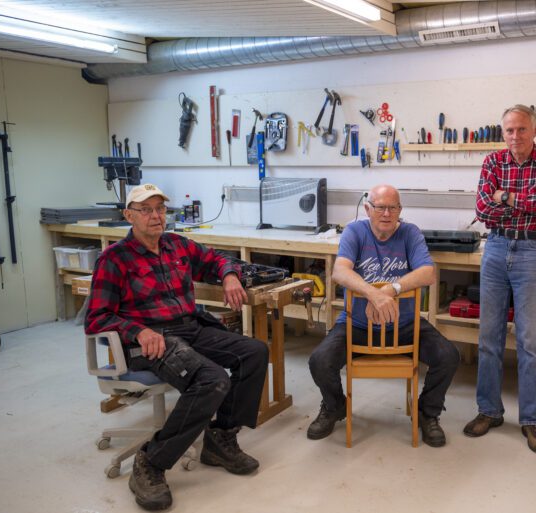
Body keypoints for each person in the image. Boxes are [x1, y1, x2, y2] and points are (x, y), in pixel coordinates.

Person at [85, 183, 269, 511]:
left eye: (160, 209)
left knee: (254, 352)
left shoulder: (176, 245)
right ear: (129, 216)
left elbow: (216, 259)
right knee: (212, 380)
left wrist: (229, 275)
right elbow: (96, 318)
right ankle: (151, 462)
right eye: (146, 210)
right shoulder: (113, 259)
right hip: (150, 342)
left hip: (190, 328)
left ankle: (220, 439)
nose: (156, 216)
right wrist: (138, 331)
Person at [307, 184, 460, 447]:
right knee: (319, 361)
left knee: (448, 356)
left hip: (404, 325)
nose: (387, 214)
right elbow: (339, 272)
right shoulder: (355, 231)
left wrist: (390, 289)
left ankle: (427, 413)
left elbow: (428, 273)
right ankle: (334, 407)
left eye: (393, 208)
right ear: (368, 209)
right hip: (357, 324)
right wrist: (372, 294)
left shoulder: (410, 233)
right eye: (380, 207)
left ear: (400, 210)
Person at [464, 104, 536, 454]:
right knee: (488, 338)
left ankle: (532, 420)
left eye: (522, 129)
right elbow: (482, 209)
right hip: (495, 247)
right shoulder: (493, 162)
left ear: (535, 130)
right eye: (509, 130)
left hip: (534, 250)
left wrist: (505, 197)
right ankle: (488, 411)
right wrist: (530, 199)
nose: (515, 136)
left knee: (532, 341)